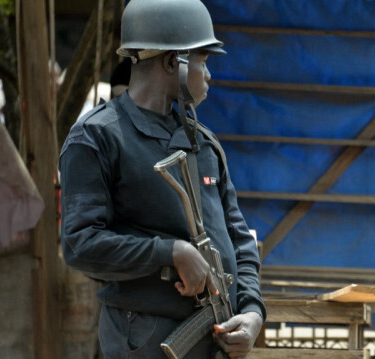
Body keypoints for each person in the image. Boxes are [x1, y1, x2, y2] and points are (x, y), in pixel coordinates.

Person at [59, 1, 265, 358]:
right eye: (203, 61)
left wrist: (252, 312)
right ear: (174, 63)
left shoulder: (203, 143)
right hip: (146, 340)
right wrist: (170, 253)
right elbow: (79, 243)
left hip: (217, 339)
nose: (210, 74)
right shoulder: (97, 138)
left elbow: (239, 240)